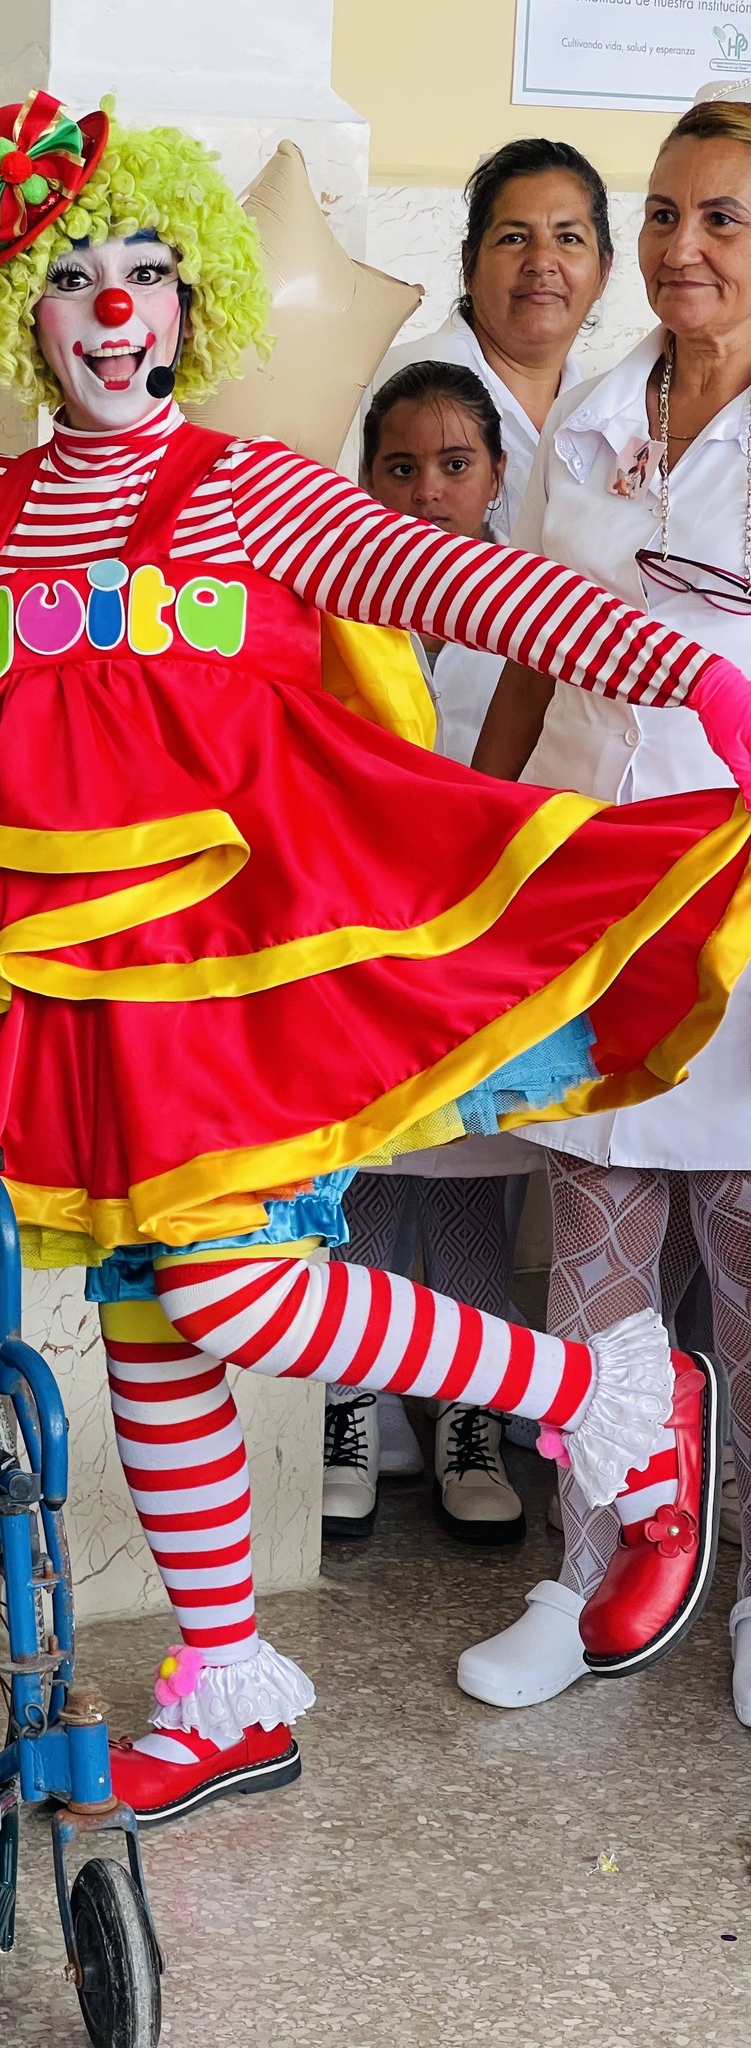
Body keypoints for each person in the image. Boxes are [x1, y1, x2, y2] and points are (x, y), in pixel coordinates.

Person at [0, 91, 751, 1823]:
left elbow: (472, 591)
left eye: (144, 269)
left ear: (191, 299)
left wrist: (696, 678)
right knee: (148, 1320)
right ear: (23, 312)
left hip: (211, 993)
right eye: (74, 273)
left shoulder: (254, 489)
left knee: (217, 1284)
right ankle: (224, 1684)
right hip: (50, 1008)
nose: (113, 305)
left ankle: (610, 1390)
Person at [466, 90, 751, 1719]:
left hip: (734, 920)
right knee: (592, 1249)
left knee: (740, 1249)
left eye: (720, 219)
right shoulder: (580, 418)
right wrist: (483, 846)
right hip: (583, 891)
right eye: (663, 213)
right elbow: (522, 643)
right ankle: (581, 1577)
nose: (680, 246)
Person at [323, 361, 538, 1545]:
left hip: (483, 937)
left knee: (475, 1177)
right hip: (360, 932)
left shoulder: (531, 607)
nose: (426, 491)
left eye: (456, 466)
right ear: (364, 480)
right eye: (399, 467)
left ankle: (468, 1416)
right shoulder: (335, 604)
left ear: (498, 477)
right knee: (356, 1173)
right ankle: (347, 1406)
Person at [375, 137, 614, 544]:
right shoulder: (403, 389)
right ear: (470, 263)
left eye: (569, 238)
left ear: (603, 271)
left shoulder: (611, 407)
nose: (541, 262)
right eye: (514, 237)